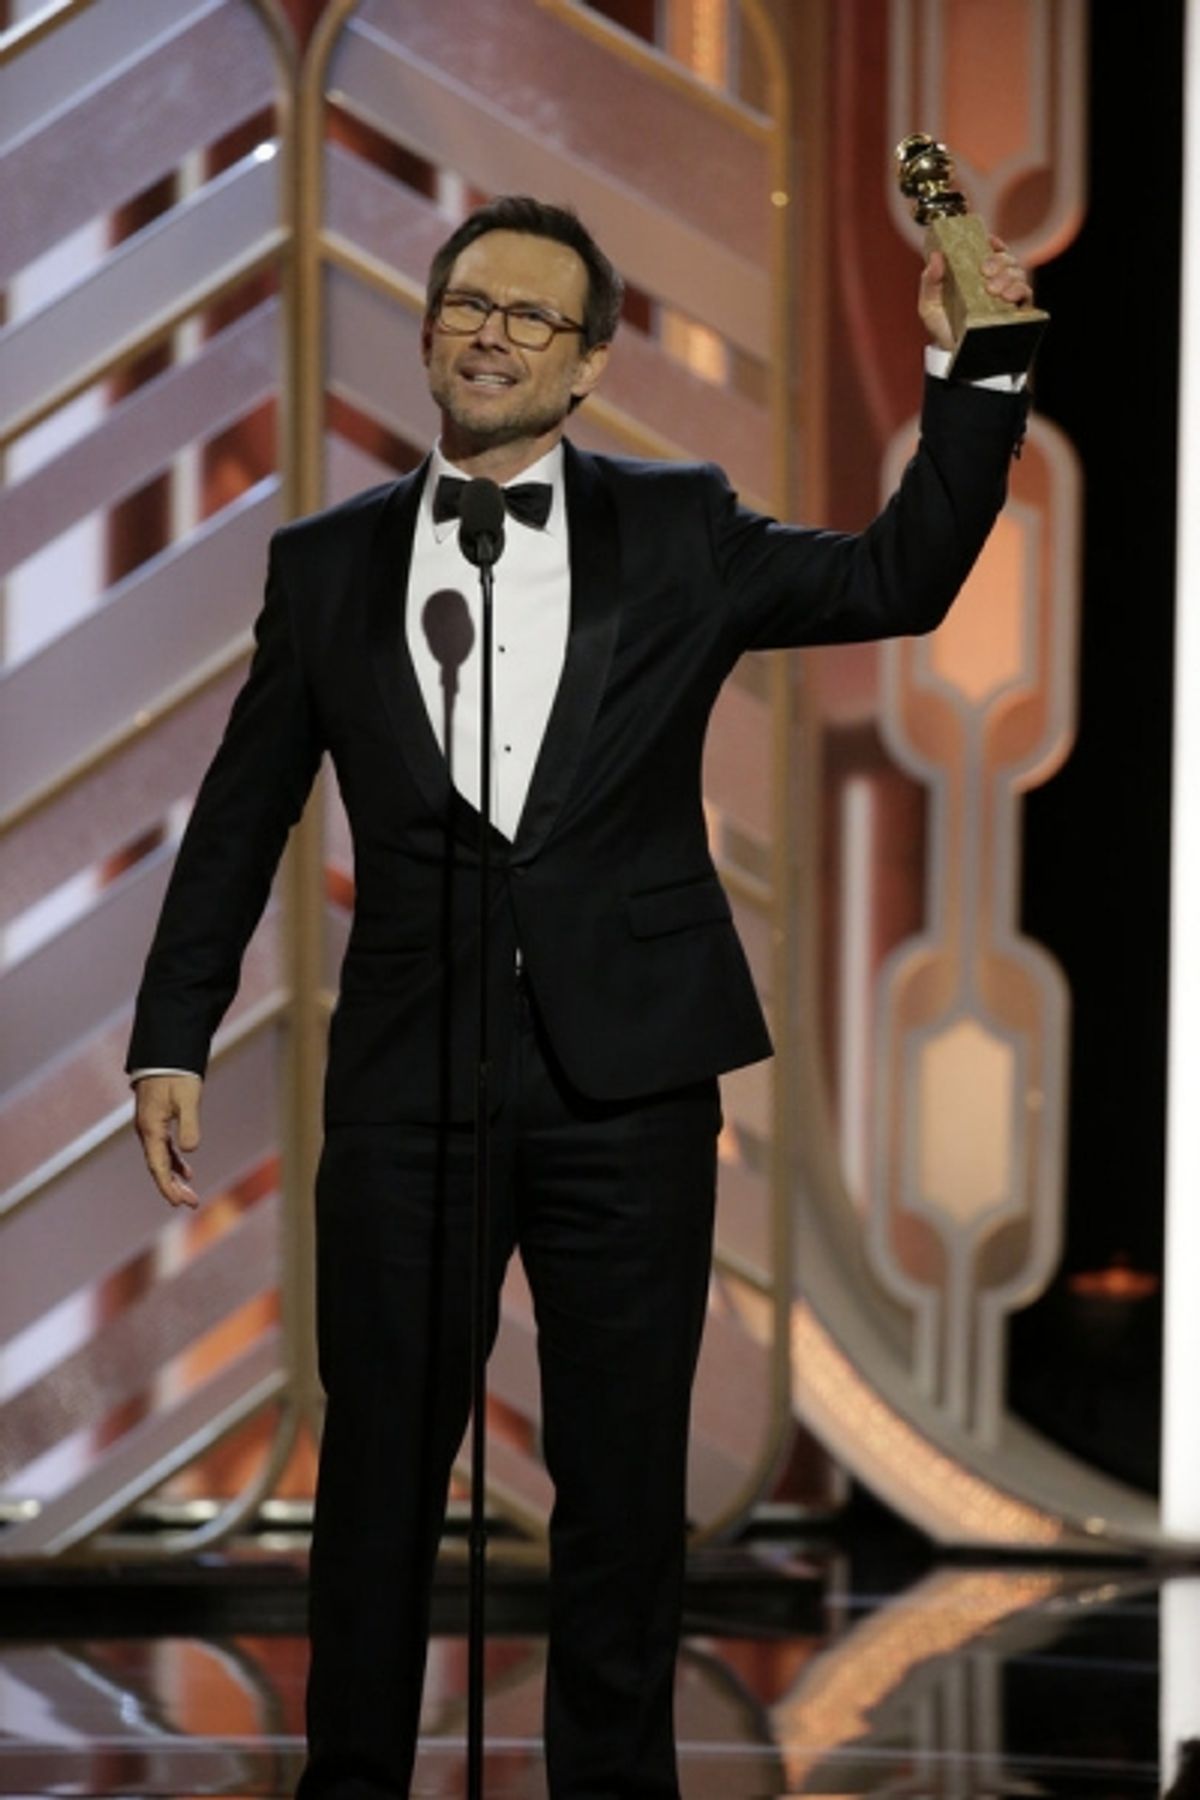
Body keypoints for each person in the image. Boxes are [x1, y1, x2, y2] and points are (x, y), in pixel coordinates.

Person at [128, 193, 1034, 1798]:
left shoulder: (679, 528)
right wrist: (171, 1033)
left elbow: (898, 580)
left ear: (592, 363)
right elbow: (243, 808)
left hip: (631, 1081)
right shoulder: (325, 565)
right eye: (467, 304)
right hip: (412, 1087)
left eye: (529, 317)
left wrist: (977, 378)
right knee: (383, 1489)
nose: (488, 332)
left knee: (621, 1488)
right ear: (427, 331)